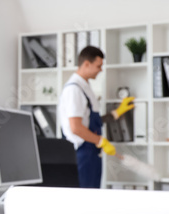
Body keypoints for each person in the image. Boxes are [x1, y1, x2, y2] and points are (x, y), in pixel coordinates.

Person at [57, 46, 135, 188]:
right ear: (86, 64)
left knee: (93, 194)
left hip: (91, 151)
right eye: (98, 66)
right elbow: (76, 128)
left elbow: (92, 120)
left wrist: (117, 112)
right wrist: (101, 141)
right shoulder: (74, 89)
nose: (101, 70)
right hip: (81, 153)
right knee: (86, 198)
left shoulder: (85, 86)